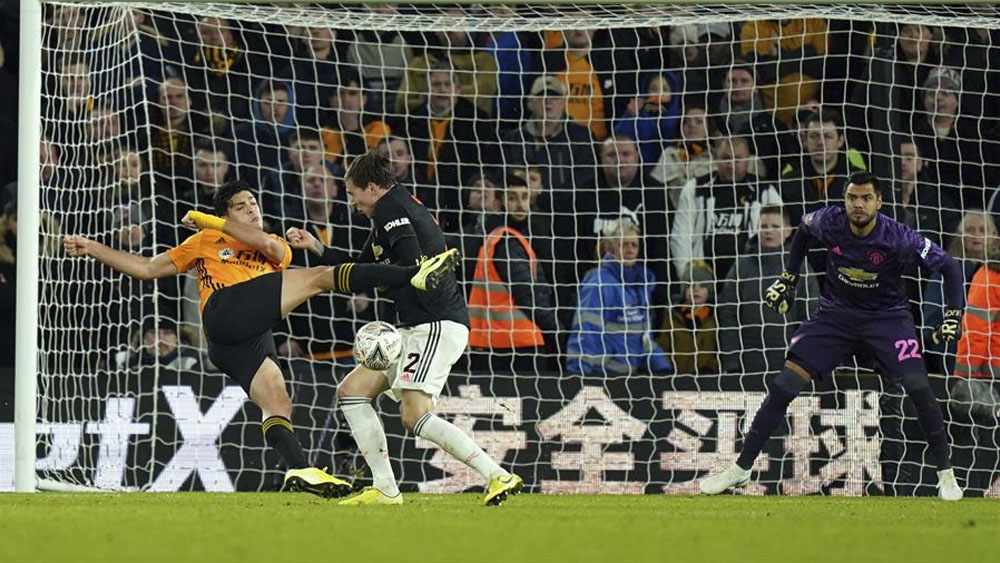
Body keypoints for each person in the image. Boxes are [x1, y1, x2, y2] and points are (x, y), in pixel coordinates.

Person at [63, 178, 456, 498]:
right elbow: (148, 268)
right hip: (222, 312)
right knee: (319, 277)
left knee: (277, 401)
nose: (252, 209)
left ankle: (301, 470)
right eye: (241, 206)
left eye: (253, 203)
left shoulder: (276, 247)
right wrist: (92, 247)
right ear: (225, 215)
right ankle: (412, 274)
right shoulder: (204, 243)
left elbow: (266, 244)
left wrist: (209, 219)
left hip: (238, 341)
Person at [698, 172, 965, 501]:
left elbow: (949, 266)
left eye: (866, 198)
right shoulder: (828, 221)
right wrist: (789, 277)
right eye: (853, 197)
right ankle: (741, 469)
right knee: (784, 385)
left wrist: (953, 314)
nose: (858, 204)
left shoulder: (899, 237)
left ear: (879, 203)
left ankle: (946, 476)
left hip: (887, 320)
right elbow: (803, 230)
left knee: (919, 389)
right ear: (845, 200)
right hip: (835, 317)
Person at [285, 152, 523, 506]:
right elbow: (366, 266)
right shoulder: (392, 209)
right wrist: (317, 247)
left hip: (435, 324)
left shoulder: (390, 209)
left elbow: (411, 266)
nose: (352, 203)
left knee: (414, 415)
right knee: (351, 391)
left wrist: (376, 280)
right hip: (416, 326)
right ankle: (385, 489)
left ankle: (498, 475)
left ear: (372, 187)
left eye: (353, 194)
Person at [566, 220, 672, 377]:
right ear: (610, 248)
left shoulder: (641, 285)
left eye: (634, 245)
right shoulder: (599, 283)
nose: (630, 250)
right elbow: (586, 331)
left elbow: (643, 338)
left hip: (630, 379)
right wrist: (579, 377)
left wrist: (663, 369)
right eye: (624, 244)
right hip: (602, 377)